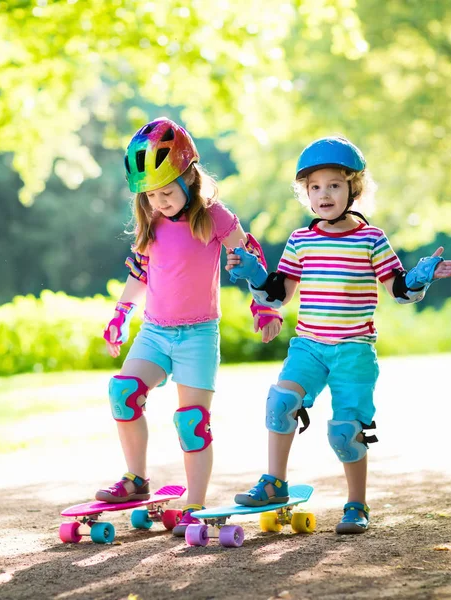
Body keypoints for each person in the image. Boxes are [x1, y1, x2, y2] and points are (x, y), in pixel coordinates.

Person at [226, 136, 451, 534]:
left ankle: (357, 504)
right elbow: (278, 294)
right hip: (309, 347)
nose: (323, 194)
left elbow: (398, 290)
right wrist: (252, 272)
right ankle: (274, 483)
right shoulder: (301, 241)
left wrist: (422, 275)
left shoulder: (371, 239)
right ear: (306, 193)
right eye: (314, 187)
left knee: (345, 431)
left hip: (354, 350)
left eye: (334, 185)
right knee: (280, 401)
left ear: (354, 188)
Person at [96, 117, 282, 537]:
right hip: (155, 332)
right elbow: (140, 273)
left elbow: (249, 256)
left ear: (189, 176)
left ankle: (195, 505)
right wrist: (121, 314)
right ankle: (135, 480)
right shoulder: (152, 222)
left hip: (198, 335)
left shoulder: (214, 217)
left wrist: (263, 304)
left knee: (192, 421)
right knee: (123, 392)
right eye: (151, 194)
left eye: (167, 191)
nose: (159, 201)